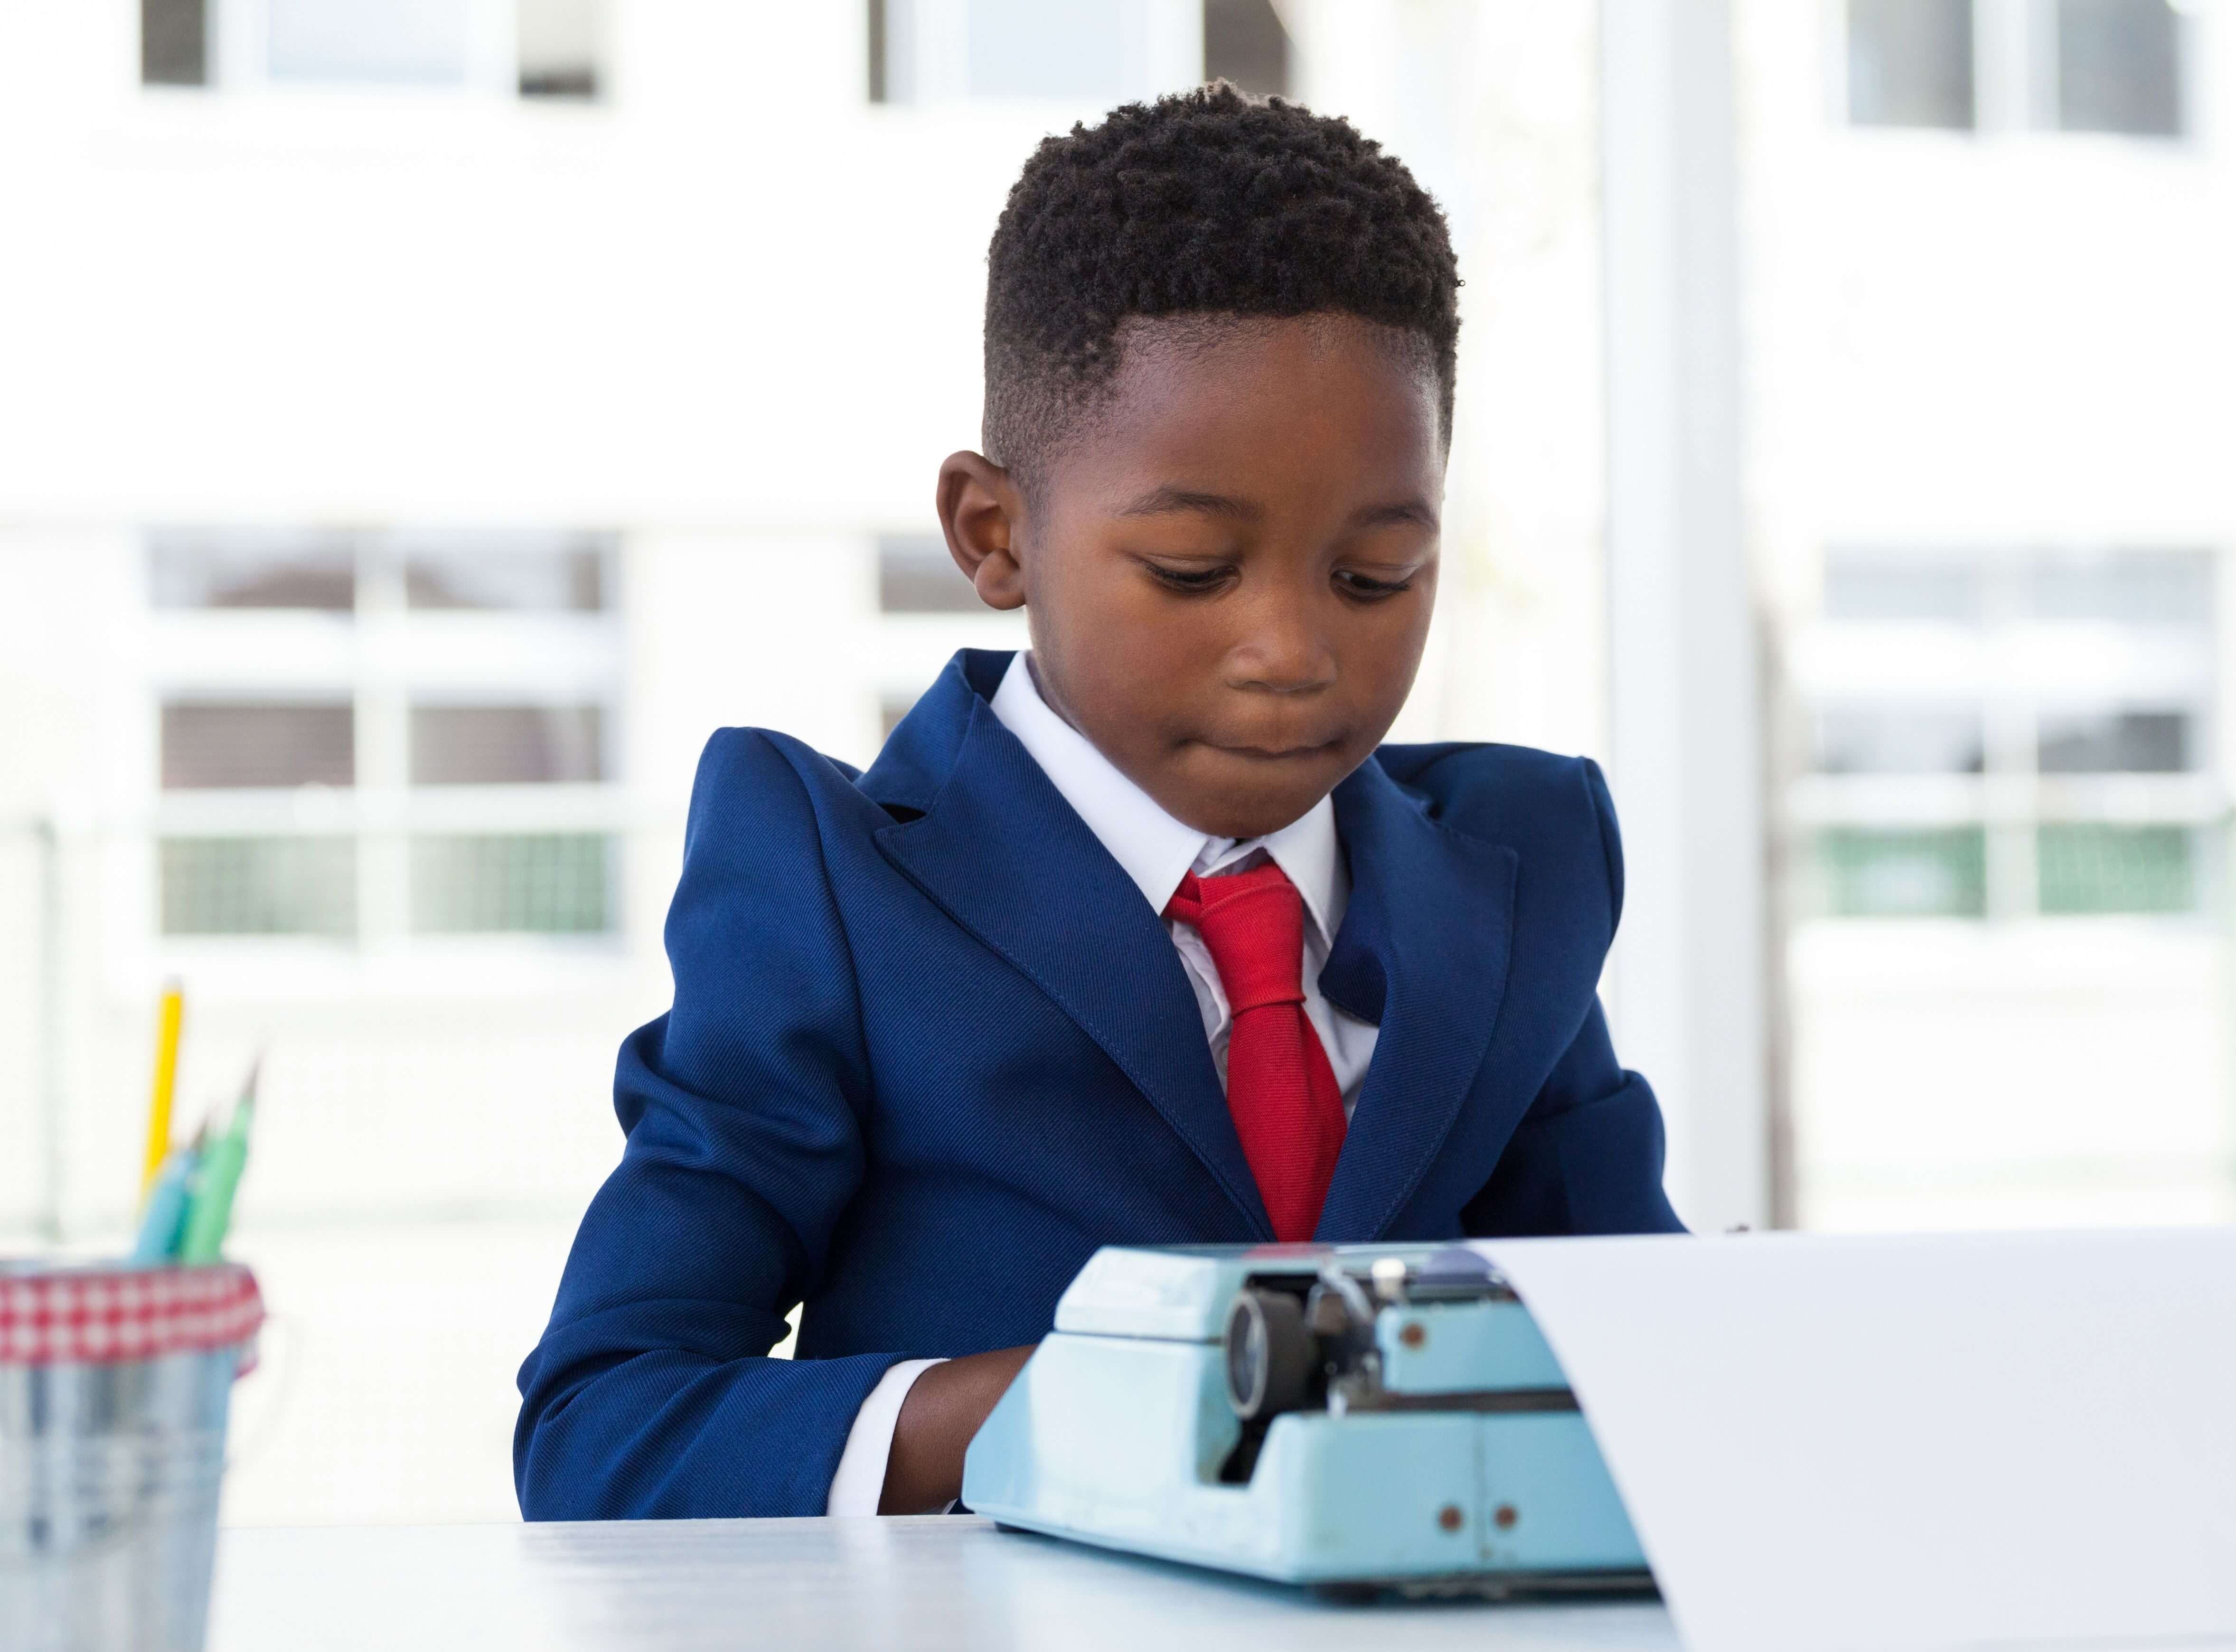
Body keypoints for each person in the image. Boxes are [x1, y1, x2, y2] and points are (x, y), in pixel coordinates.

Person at [514, 84, 1684, 1522]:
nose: (1295, 652)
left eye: (1376, 576)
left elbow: (1643, 1350)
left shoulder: (1521, 874)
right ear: (996, 535)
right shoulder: (830, 886)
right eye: (1194, 569)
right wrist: (1101, 1394)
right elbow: (603, 1429)